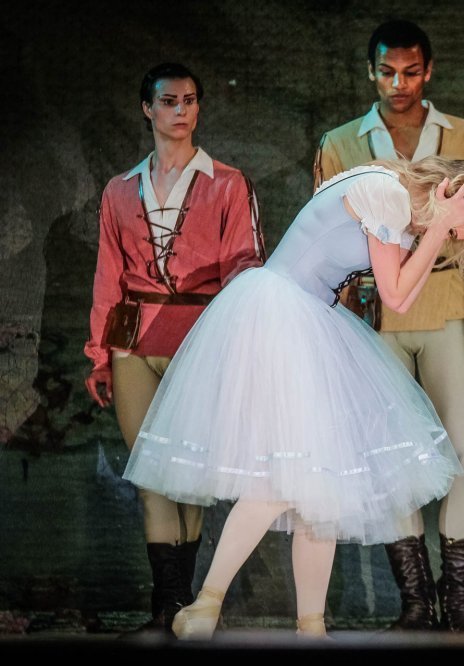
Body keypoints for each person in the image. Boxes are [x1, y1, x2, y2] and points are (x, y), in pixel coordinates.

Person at [121, 157, 464, 640]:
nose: (455, 239)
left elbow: (405, 294)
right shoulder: (388, 194)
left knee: (319, 488)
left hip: (309, 317)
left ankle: (309, 626)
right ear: (453, 198)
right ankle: (206, 603)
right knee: (283, 477)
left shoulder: (401, 214)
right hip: (282, 317)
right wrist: (440, 226)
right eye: (462, 229)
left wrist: (436, 229)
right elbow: (396, 296)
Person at [313, 19, 464, 639]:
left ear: (429, 71)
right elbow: (329, 237)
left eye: (411, 71)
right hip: (375, 318)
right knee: (391, 457)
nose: (399, 83)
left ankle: (460, 605)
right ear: (371, 72)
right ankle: (417, 605)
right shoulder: (342, 143)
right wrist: (334, 327)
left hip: (447, 303)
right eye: (387, 71)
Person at [84, 62, 266, 634]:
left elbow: (245, 262)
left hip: (200, 339)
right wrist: (99, 354)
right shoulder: (120, 190)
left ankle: (184, 607)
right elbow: (108, 278)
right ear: (148, 109)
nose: (181, 110)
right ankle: (167, 607)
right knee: (152, 474)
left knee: (190, 479)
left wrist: (239, 336)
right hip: (135, 342)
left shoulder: (228, 183)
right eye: (169, 101)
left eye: (189, 100)